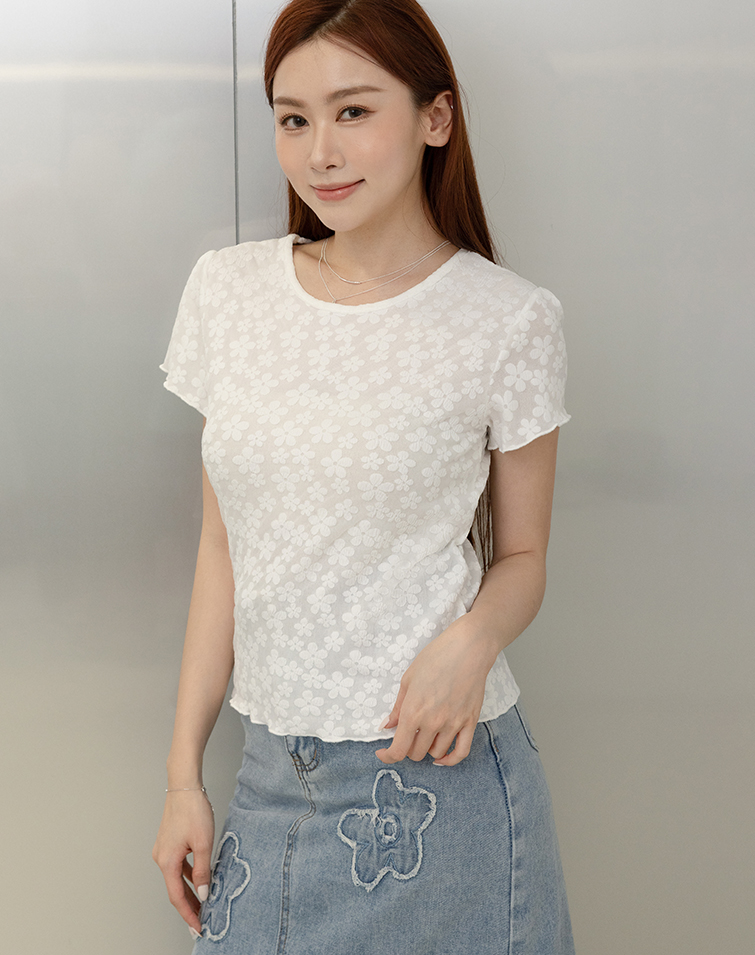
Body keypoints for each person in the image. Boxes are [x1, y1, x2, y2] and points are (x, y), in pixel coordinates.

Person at [153, 1, 574, 952]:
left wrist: (471, 642)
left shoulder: (508, 320)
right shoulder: (229, 294)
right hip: (269, 780)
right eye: (293, 118)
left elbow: (524, 557)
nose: (320, 152)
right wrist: (184, 775)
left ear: (435, 117)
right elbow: (222, 549)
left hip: (440, 779)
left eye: (353, 111)